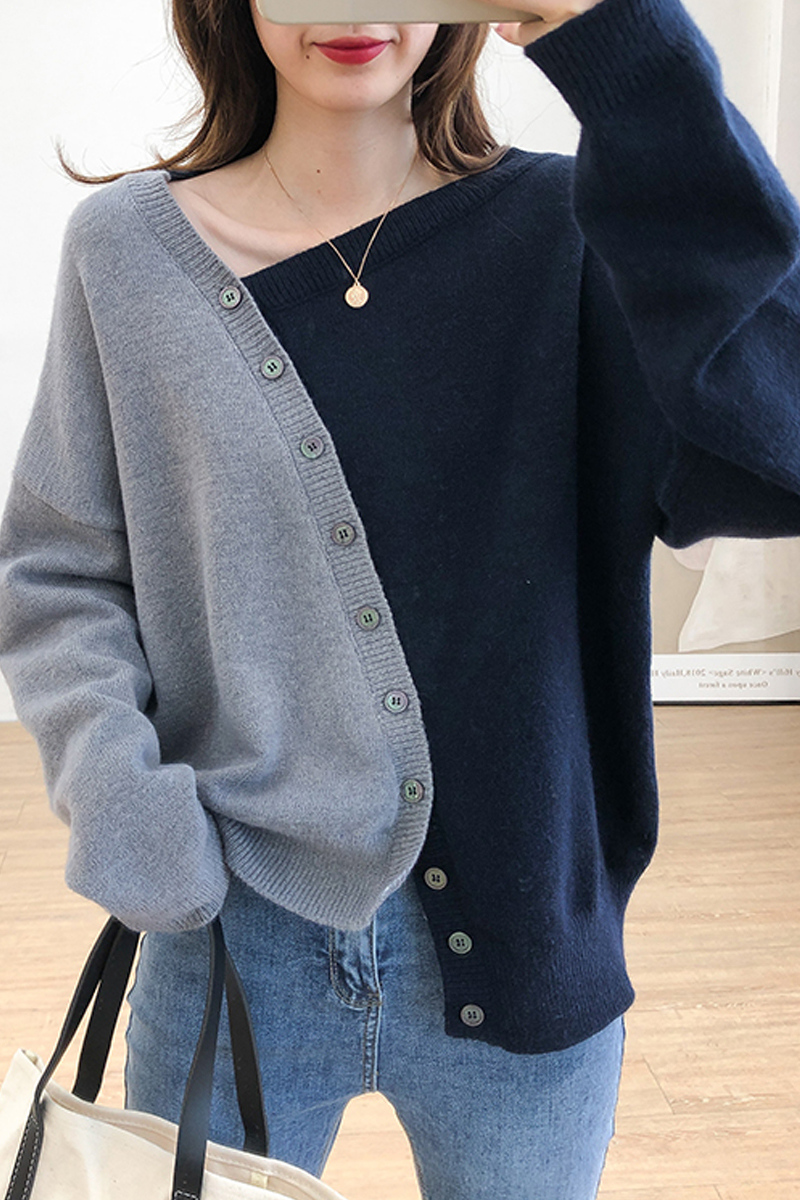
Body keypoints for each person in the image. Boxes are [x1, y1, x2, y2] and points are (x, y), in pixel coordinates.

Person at [1, 0, 800, 1196]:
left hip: (526, 929)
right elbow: (60, 569)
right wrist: (118, 791)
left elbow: (777, 437)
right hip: (233, 932)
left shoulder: (567, 235)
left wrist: (621, 43)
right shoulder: (128, 252)